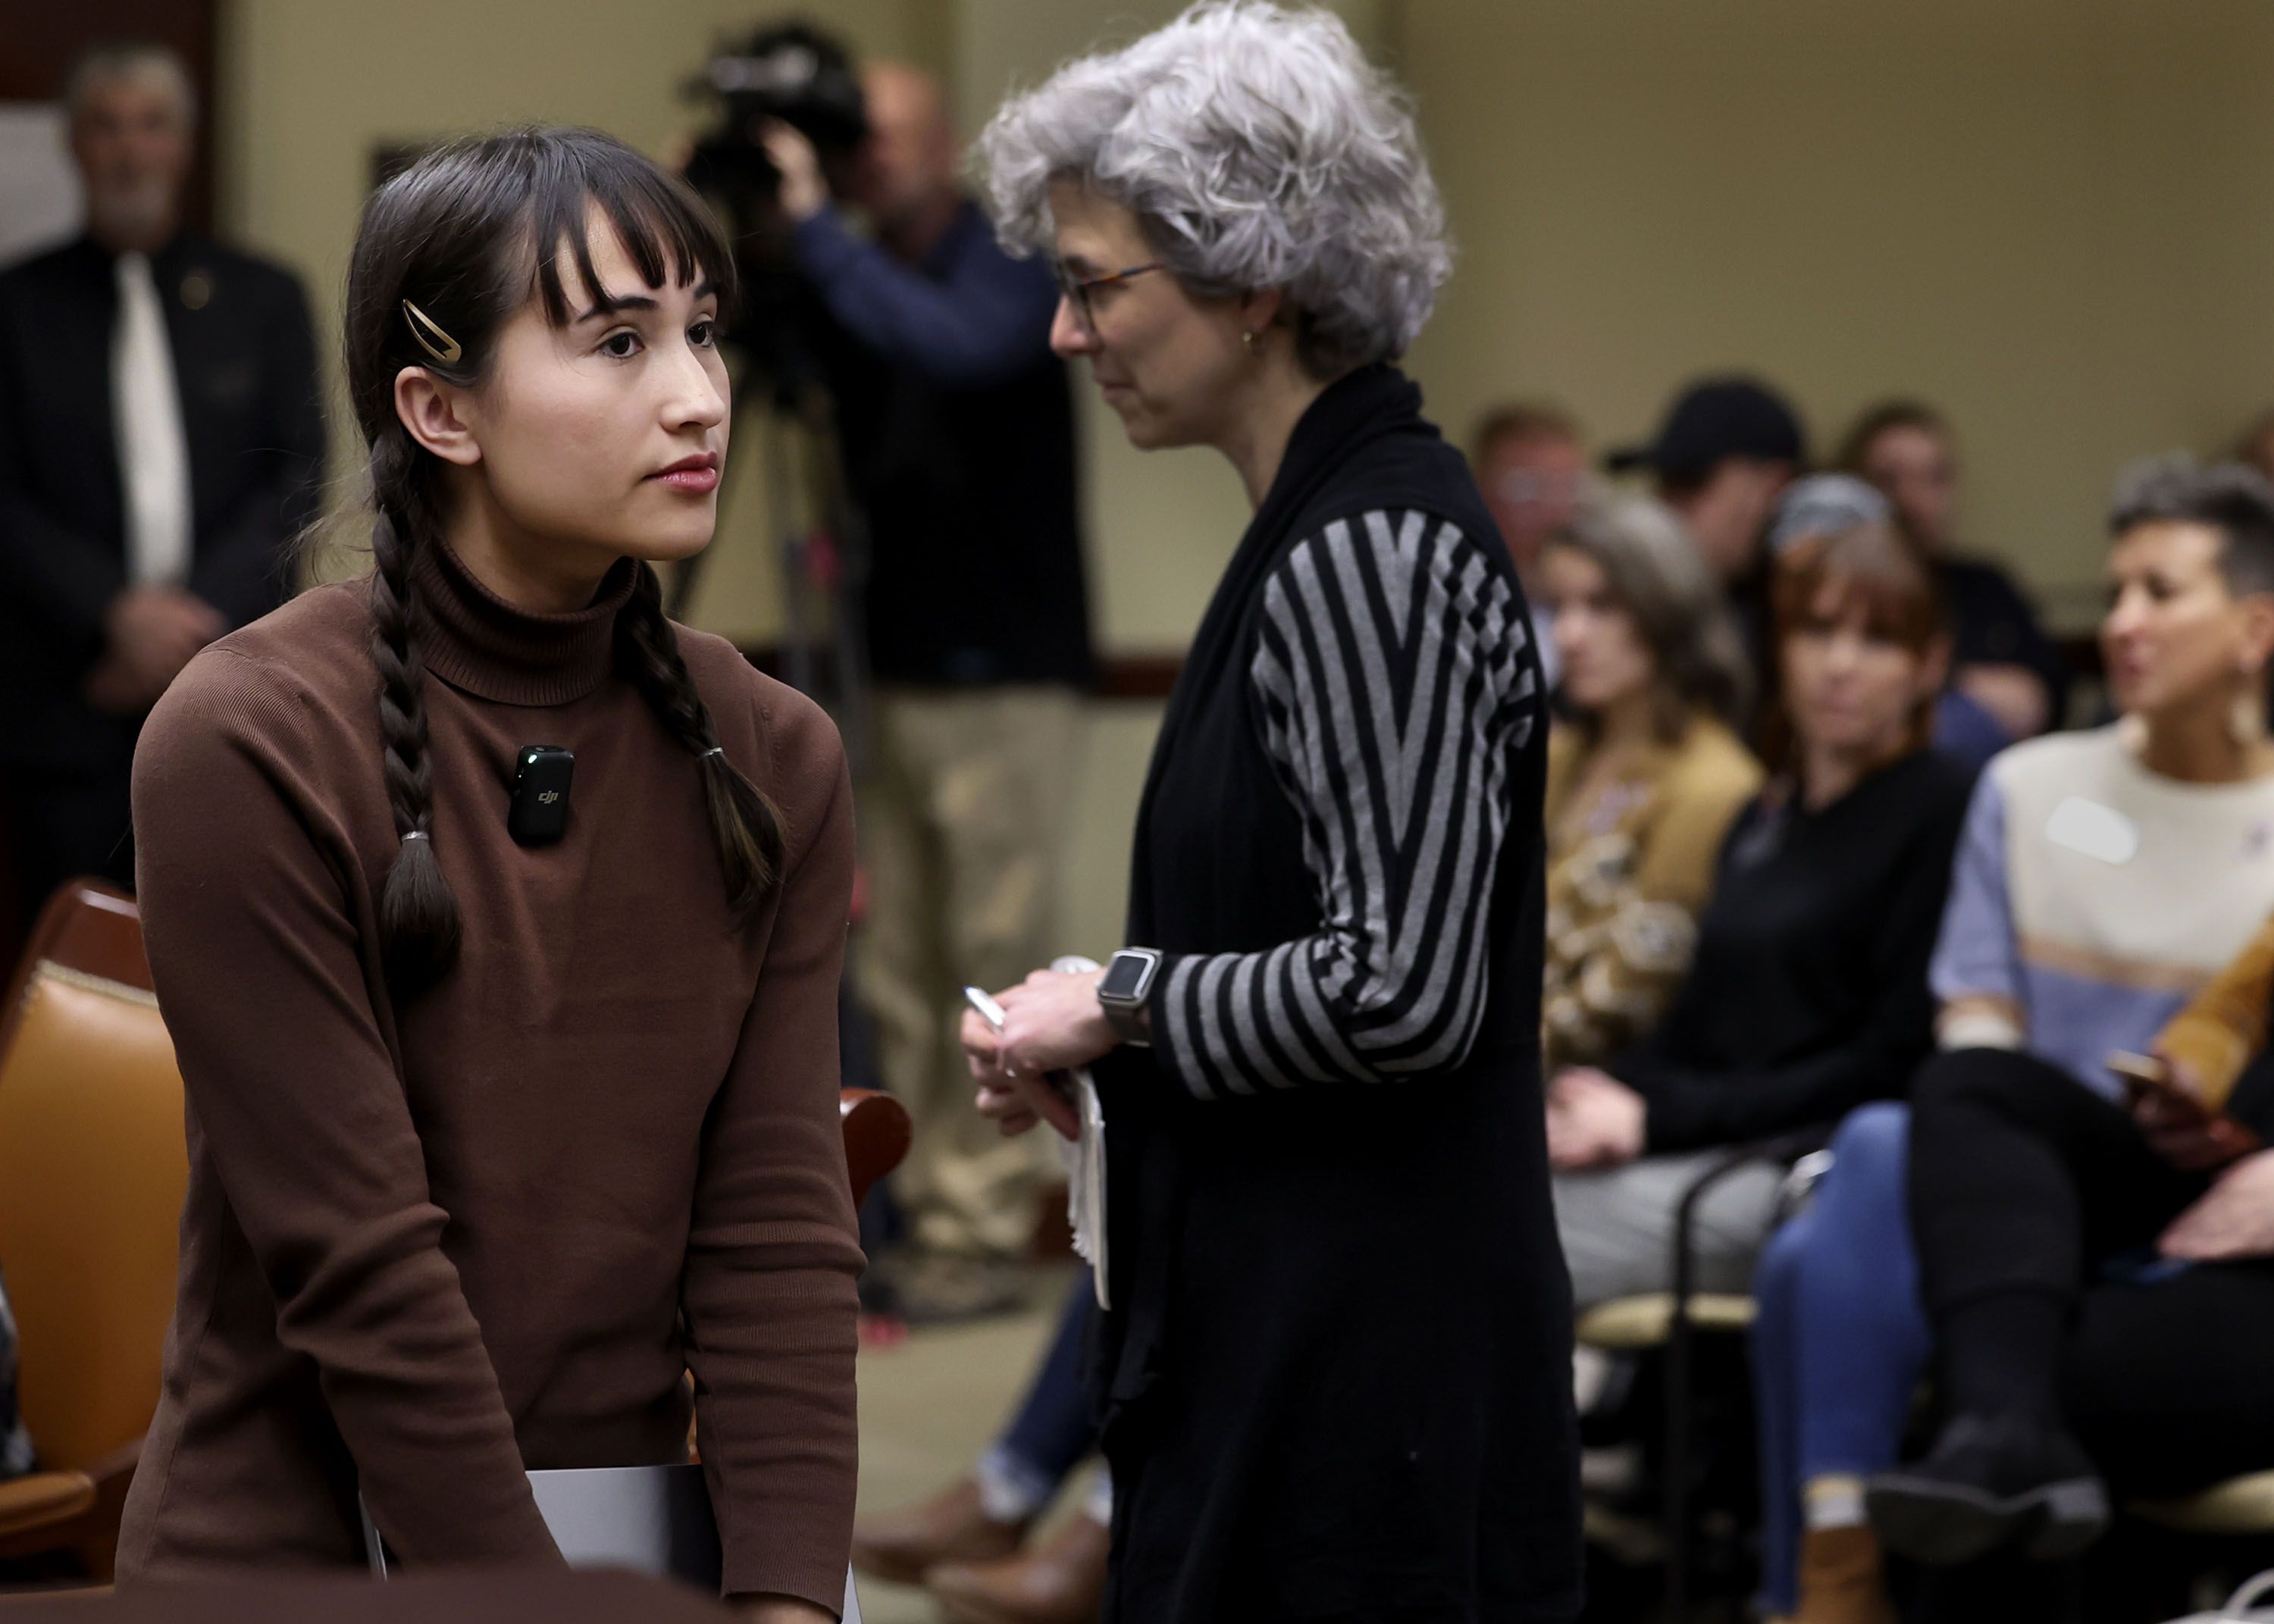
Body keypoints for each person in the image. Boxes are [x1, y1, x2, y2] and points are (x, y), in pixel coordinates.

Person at [113, 130, 860, 1622]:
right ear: (439, 409)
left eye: (704, 333)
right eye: (619, 342)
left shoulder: (771, 749)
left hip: (629, 1551)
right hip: (292, 1561)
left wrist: (787, 1599)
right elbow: (367, 1276)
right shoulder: (248, 738)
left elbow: (777, 1230)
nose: (700, 394)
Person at [963, 5, 1582, 1618]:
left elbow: (1402, 989)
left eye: (1099, 284)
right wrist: (1120, 1065)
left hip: (1373, 1367)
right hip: (1307, 1320)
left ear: (1253, 280)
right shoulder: (1319, 528)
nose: (1066, 332)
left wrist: (1118, 1002)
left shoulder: (1367, 548)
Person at [1746, 457, 2274, 1624]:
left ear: (2255, 625)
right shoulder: (2031, 786)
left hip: (2231, 1184)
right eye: (2117, 586)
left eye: (2159, 591)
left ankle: (1855, 1557)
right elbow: (1975, 1015)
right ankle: (1950, 1474)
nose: (2121, 621)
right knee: (1953, 1094)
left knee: (1829, 1246)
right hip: (2041, 1164)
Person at [763, 63, 1094, 1296]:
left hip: (1005, 659)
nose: (873, 163)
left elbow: (953, 348)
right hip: (887, 658)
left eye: (893, 139)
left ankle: (977, 1227)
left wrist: (814, 239)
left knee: (993, 945)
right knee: (897, 956)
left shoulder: (1004, 260)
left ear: (943, 144)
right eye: (860, 145)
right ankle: (907, 1211)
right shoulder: (846, 277)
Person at [1546, 520, 1971, 1311]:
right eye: (1817, 631)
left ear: (1929, 666)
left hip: (1803, 1167)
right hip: (1696, 1142)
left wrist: (1651, 1117)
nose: (1839, 664)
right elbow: (1701, 1019)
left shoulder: (1943, 806)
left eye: (1877, 639)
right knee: (1472, 1185)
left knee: (1498, 1233)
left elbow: (1887, 1063)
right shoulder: (1764, 816)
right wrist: (1594, 1094)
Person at [0, 42, 324, 927]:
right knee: (83, 970)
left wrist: (183, 636)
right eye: (104, 127)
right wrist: (115, 613)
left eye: (150, 125)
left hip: (233, 697)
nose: (128, 150)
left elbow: (295, 477)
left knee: (233, 959)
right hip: (70, 705)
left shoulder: (265, 299)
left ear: (183, 144)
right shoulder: (16, 307)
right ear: (74, 145)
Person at [1536, 496, 1760, 1075]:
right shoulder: (1556, 754)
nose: (1569, 634)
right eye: (1559, 606)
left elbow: (1629, 995)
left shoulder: (1713, 782)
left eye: (1601, 606)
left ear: (1666, 610)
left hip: (1590, 1092)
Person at [1840, 400, 2067, 742]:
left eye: (1935, 478)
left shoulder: (1987, 587)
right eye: (1889, 479)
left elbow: (2036, 703)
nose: (1912, 498)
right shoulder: (1836, 593)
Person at [1605, 375, 1806, 681]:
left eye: (1691, 481)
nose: (1666, 506)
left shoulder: (1809, 624)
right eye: (1663, 483)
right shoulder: (1649, 612)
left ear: (1773, 487)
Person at [1474, 402, 1590, 689]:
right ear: (1481, 493)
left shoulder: (1614, 607)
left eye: (1569, 488)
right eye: (1526, 490)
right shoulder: (1462, 607)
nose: (1554, 510)